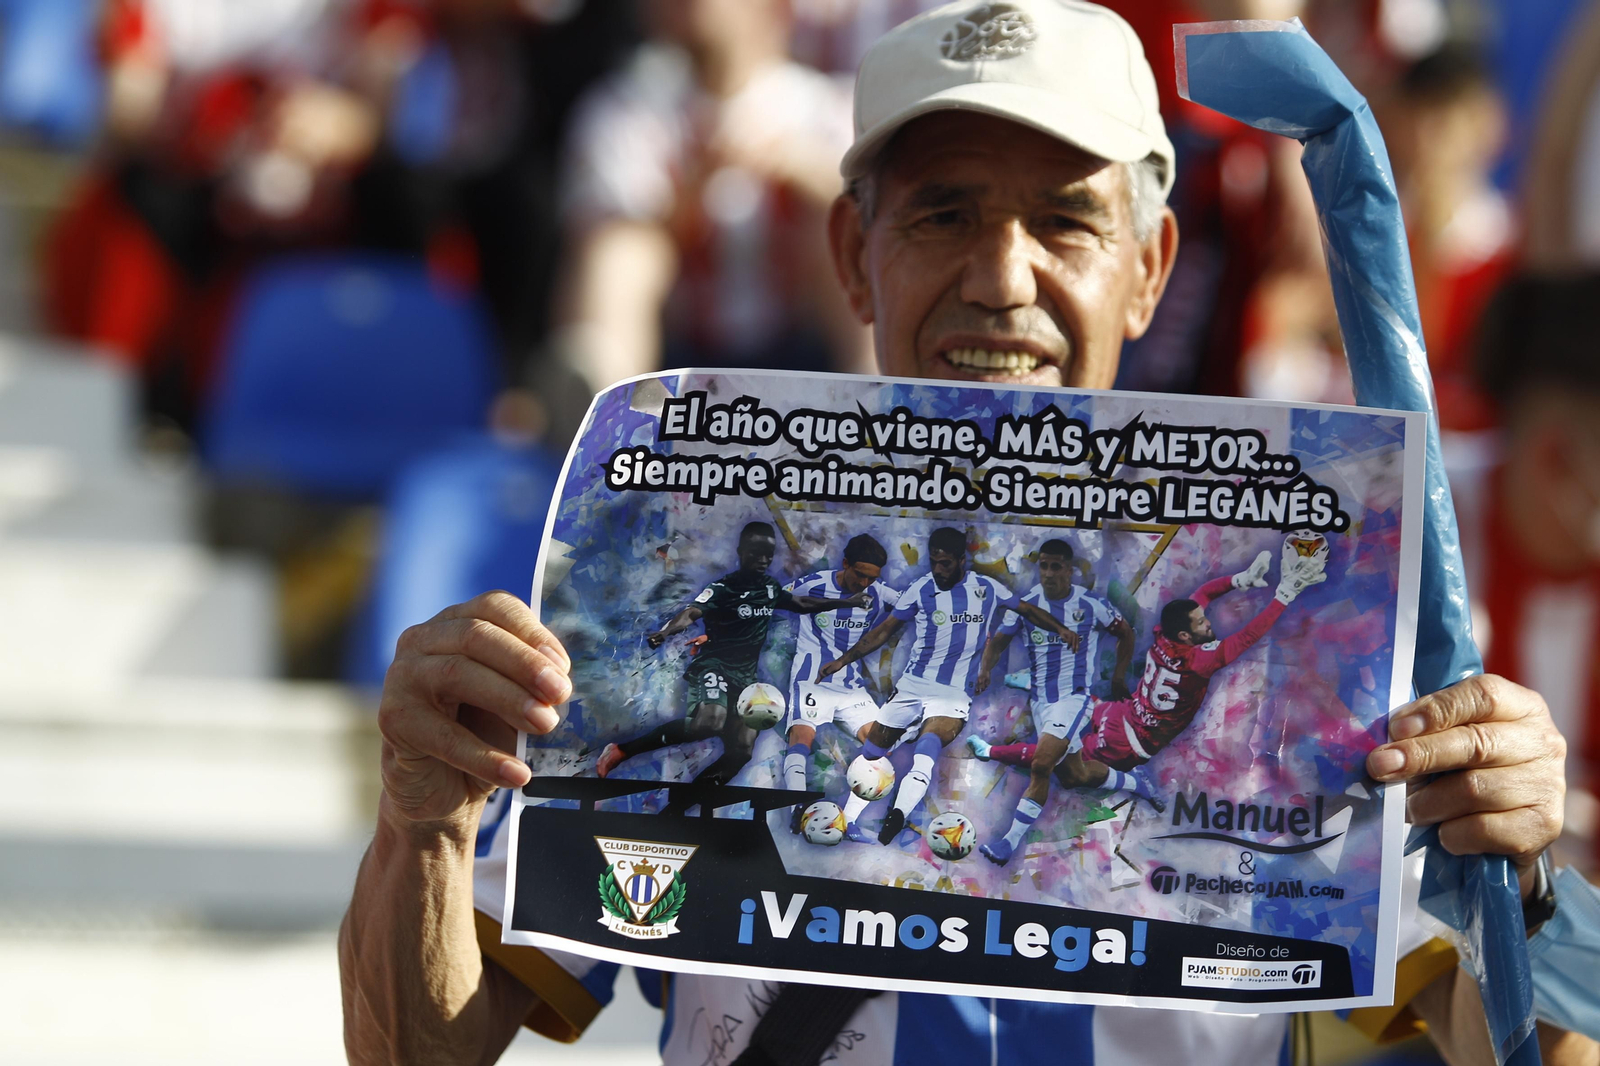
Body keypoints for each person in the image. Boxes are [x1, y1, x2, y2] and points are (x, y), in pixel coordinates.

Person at [339, 3, 1580, 1063]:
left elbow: (1519, 1042)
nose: (1001, 276)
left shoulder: (1319, 613)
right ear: (852, 255)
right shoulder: (686, 537)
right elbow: (415, 1045)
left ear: (1149, 266)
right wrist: (424, 823)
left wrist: (1518, 884)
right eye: (941, 215)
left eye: (1064, 221)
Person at [815, 526, 1079, 845]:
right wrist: (844, 660)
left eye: (946, 563)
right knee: (872, 753)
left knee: (927, 747)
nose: (939, 569)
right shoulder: (921, 589)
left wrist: (1062, 629)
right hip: (912, 686)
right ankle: (849, 817)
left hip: (952, 693)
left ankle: (895, 817)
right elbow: (884, 631)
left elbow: (1027, 609)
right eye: (934, 562)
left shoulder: (986, 588)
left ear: (961, 560)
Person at [595, 521, 866, 791]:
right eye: (755, 553)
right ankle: (621, 750)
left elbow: (802, 604)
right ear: (741, 551)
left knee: (743, 749)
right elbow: (691, 613)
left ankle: (682, 805)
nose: (762, 560)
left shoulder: (770, 588)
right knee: (709, 722)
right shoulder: (724, 588)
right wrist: (665, 633)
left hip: (746, 679)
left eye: (768, 555)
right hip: (715, 666)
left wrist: (848, 602)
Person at [965, 537, 1136, 865]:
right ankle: (1131, 781)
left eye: (1055, 566)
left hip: (1074, 700)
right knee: (1073, 776)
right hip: (1042, 703)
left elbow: (1125, 632)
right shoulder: (1028, 605)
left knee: (1041, 765)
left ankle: (1007, 844)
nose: (1047, 573)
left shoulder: (1089, 605)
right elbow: (998, 641)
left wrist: (1118, 677)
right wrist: (985, 669)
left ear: (1069, 571)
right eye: (1043, 566)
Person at [778, 533, 901, 831]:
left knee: (881, 744)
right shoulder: (812, 585)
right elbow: (769, 599)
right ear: (845, 564)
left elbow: (917, 611)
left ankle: (849, 820)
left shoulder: (879, 593)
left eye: (871, 578)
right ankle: (798, 809)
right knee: (801, 739)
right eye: (859, 574)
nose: (864, 584)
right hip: (812, 682)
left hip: (850, 687)